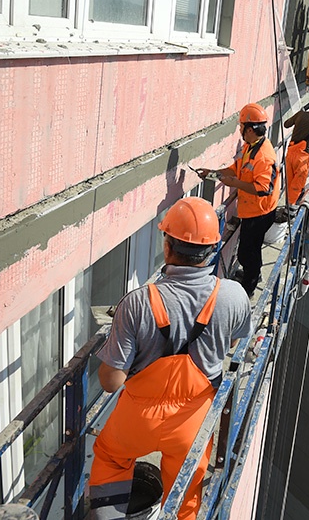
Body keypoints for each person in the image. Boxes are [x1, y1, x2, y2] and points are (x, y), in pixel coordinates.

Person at [89, 197, 251, 520]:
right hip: (194, 420)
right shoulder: (233, 296)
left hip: (138, 418)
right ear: (213, 248)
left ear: (167, 247)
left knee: (111, 457)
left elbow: (110, 382)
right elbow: (233, 339)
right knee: (186, 493)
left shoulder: (136, 304)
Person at [200, 103, 279, 296]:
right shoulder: (250, 146)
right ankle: (253, 274)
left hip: (260, 212)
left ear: (250, 129)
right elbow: (237, 168)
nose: (240, 130)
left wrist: (234, 183)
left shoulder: (263, 156)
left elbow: (263, 189)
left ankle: (248, 288)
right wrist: (215, 173)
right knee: (250, 250)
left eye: (241, 126)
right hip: (253, 210)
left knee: (247, 252)